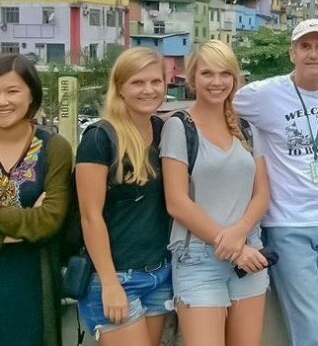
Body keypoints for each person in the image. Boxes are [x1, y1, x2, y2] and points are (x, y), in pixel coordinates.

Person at [233, 18, 318, 346]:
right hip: (288, 223)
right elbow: (220, 102)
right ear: (292, 53)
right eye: (305, 46)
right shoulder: (265, 94)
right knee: (312, 328)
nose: (313, 54)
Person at [161, 40, 270, 346]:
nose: (217, 82)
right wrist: (232, 245)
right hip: (199, 258)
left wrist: (240, 234)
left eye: (225, 74)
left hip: (249, 251)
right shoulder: (179, 127)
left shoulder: (247, 128)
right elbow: (177, 202)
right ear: (192, 78)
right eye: (207, 73)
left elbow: (262, 193)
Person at [76, 47, 173, 345]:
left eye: (155, 82)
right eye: (137, 82)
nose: (148, 90)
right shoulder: (99, 137)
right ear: (120, 87)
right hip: (117, 277)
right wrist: (109, 282)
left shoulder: (162, 130)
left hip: (159, 273)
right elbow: (90, 216)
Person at [0, 54, 73, 346]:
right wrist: (26, 221)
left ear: (32, 93)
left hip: (32, 282)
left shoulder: (53, 148)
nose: (2, 101)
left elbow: (51, 220)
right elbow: (36, 221)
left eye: (12, 91)